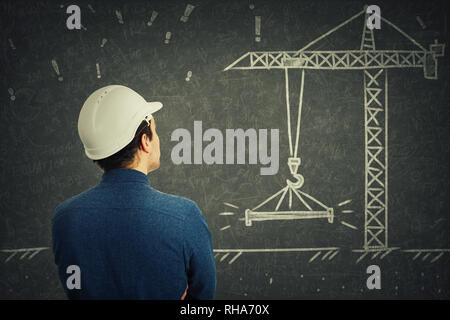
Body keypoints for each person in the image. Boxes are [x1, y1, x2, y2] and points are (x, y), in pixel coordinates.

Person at [51, 85, 216, 299]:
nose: (158, 139)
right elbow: (204, 296)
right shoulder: (184, 216)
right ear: (145, 141)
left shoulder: (64, 218)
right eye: (155, 132)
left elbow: (77, 288)